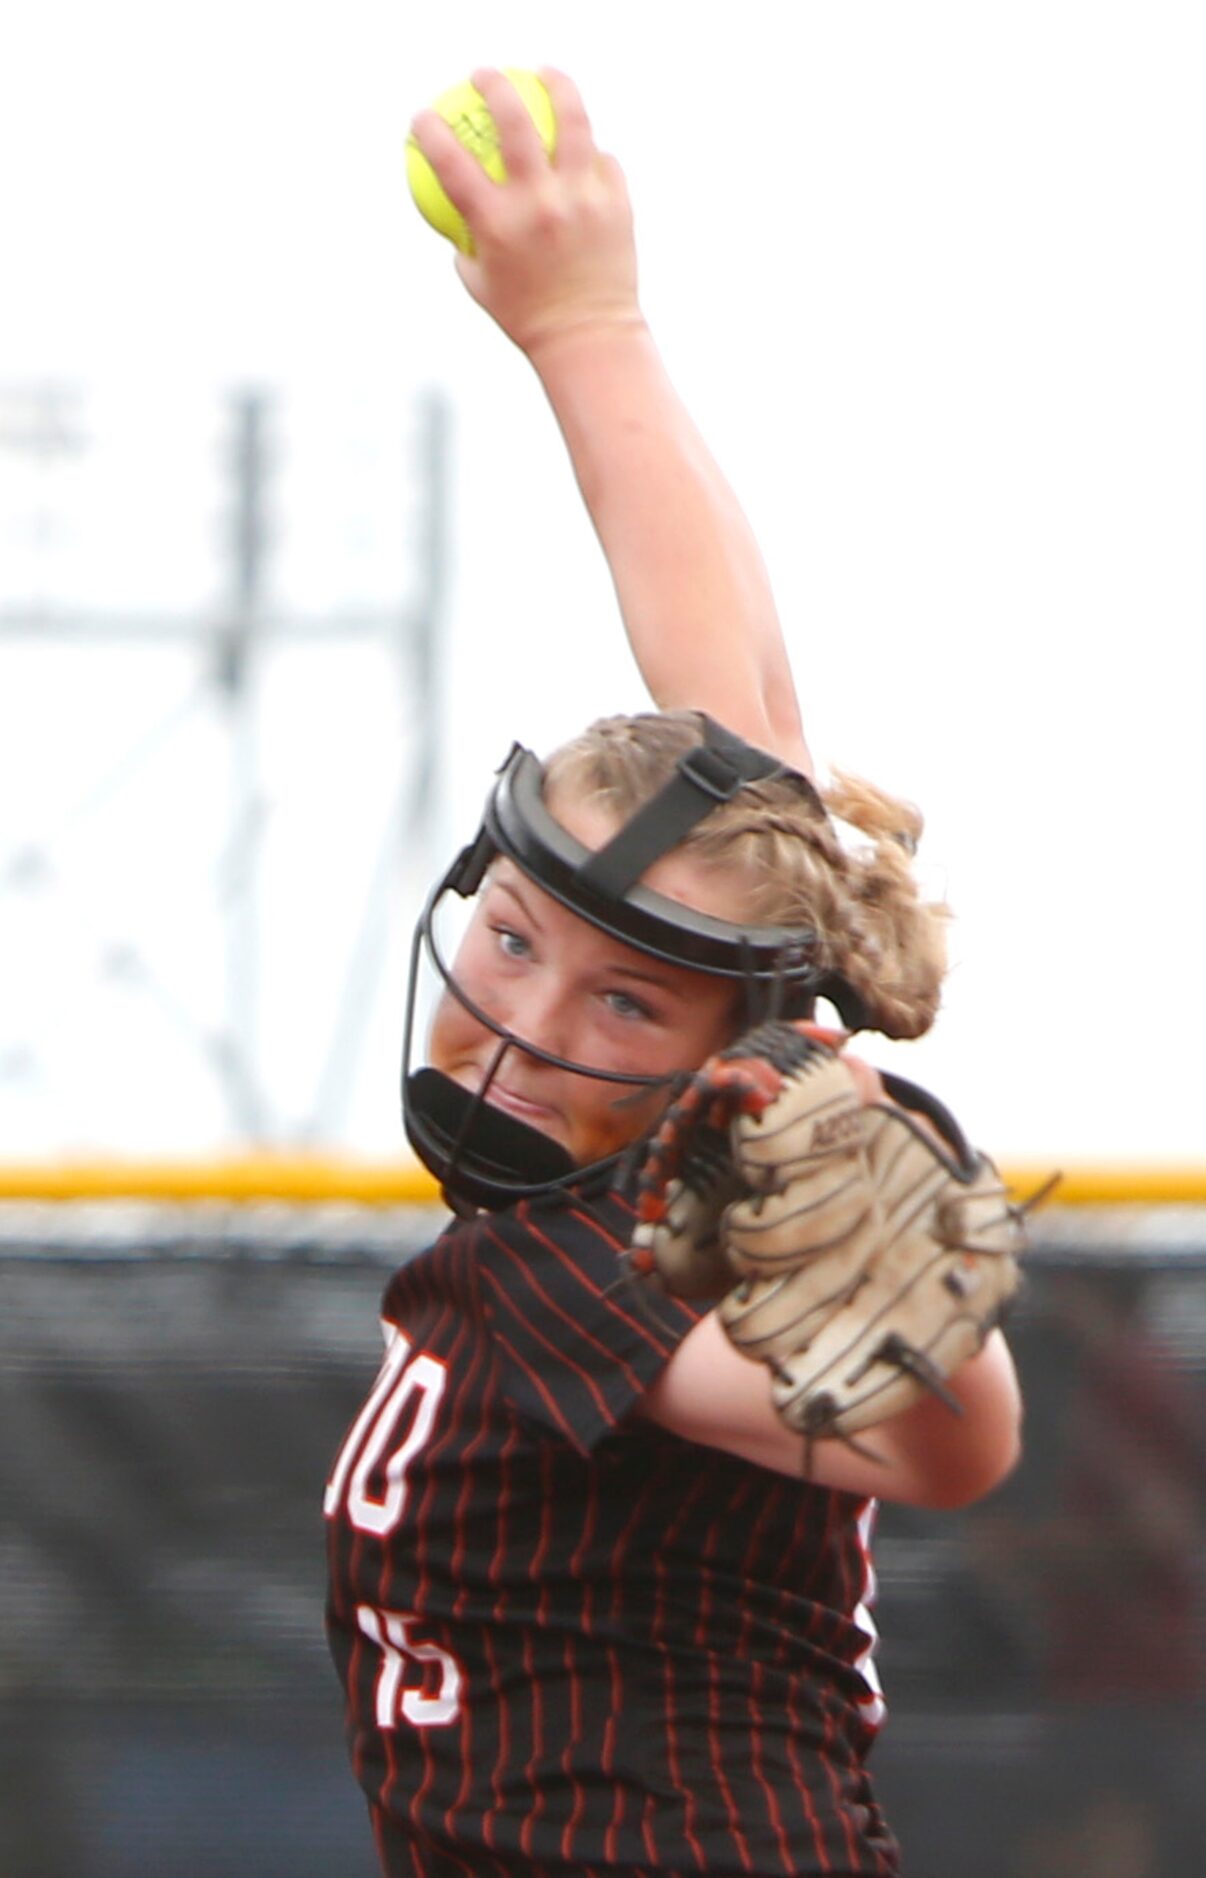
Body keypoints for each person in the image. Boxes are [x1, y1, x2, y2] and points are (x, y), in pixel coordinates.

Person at [324, 68, 1023, 1877]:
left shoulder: (585, 1245)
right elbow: (746, 739)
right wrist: (585, 327)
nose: (525, 1026)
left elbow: (940, 1443)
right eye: (512, 939)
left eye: (625, 1001)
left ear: (734, 1030)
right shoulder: (620, 1180)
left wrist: (852, 1163)